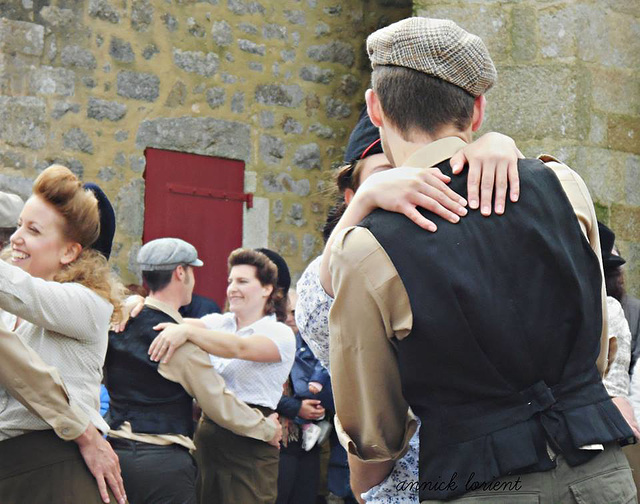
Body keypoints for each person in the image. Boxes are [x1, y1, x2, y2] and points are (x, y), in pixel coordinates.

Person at [328, 17, 635, 503]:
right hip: (600, 473)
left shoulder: (367, 246)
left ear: (376, 107)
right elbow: (595, 343)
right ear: (477, 109)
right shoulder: (562, 184)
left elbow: (376, 431)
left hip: (479, 483)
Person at [297, 112, 525, 503]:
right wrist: (369, 199)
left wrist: (501, 147)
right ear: (350, 195)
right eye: (387, 171)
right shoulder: (333, 271)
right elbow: (321, 317)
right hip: (406, 482)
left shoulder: (469, 244)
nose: (410, 179)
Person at [105, 237, 281, 504]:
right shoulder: (177, 343)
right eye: (192, 270)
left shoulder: (119, 323)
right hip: (162, 466)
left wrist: (130, 301)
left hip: (115, 456)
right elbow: (217, 402)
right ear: (180, 273)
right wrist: (267, 430)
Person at [0, 165, 127, 504]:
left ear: (70, 252)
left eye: (34, 230)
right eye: (19, 225)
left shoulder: (88, 306)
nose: (15, 238)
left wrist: (84, 432)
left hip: (56, 471)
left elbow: (24, 292)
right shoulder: (8, 309)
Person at [149, 247, 296, 504]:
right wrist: (137, 302)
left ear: (266, 289)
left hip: (252, 438)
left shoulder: (279, 333)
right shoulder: (219, 322)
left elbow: (238, 348)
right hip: (207, 435)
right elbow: (165, 317)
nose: (232, 288)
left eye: (242, 281)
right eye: (230, 281)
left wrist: (186, 332)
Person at [276, 290, 333, 504]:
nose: (290, 317)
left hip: (312, 442)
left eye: (295, 311)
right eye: (284, 313)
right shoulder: (269, 345)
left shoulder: (315, 347)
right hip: (279, 441)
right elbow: (257, 393)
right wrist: (297, 408)